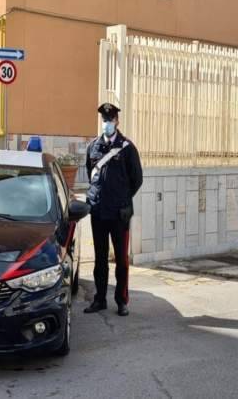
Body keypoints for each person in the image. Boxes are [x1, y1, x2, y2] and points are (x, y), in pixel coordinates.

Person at [83, 103, 143, 317]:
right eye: (104, 119)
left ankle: (122, 301)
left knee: (121, 261)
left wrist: (122, 199)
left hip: (119, 214)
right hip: (98, 212)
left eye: (110, 119)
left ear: (117, 121)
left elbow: (137, 179)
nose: (106, 123)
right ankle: (100, 299)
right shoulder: (94, 147)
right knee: (100, 260)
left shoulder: (127, 148)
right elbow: (91, 173)